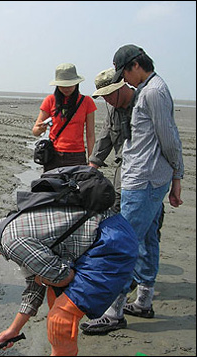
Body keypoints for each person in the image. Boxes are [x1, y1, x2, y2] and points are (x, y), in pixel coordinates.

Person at [80, 44, 184, 335]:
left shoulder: (151, 93)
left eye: (125, 73)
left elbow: (170, 138)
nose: (125, 79)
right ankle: (143, 301)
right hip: (142, 178)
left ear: (135, 66)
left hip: (144, 181)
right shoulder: (145, 92)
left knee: (122, 245)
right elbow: (108, 139)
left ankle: (113, 313)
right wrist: (93, 165)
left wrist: (178, 176)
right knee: (148, 238)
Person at [0, 209, 138, 356]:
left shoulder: (12, 242)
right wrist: (14, 330)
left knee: (60, 317)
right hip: (106, 232)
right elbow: (35, 285)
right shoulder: (2, 230)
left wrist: (45, 277)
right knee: (54, 295)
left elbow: (64, 276)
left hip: (111, 242)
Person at [32, 63, 97, 172]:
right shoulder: (50, 100)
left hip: (77, 157)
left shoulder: (87, 102)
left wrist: (92, 161)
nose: (66, 88)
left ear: (76, 83)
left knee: (76, 188)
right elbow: (35, 131)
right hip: (53, 155)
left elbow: (90, 135)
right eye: (63, 85)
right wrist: (40, 128)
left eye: (70, 85)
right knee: (51, 187)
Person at [88, 67, 134, 212]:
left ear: (121, 86)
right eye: (104, 97)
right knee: (118, 204)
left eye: (109, 95)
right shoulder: (113, 110)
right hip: (123, 167)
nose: (107, 100)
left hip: (143, 170)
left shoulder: (143, 104)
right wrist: (92, 167)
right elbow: (105, 136)